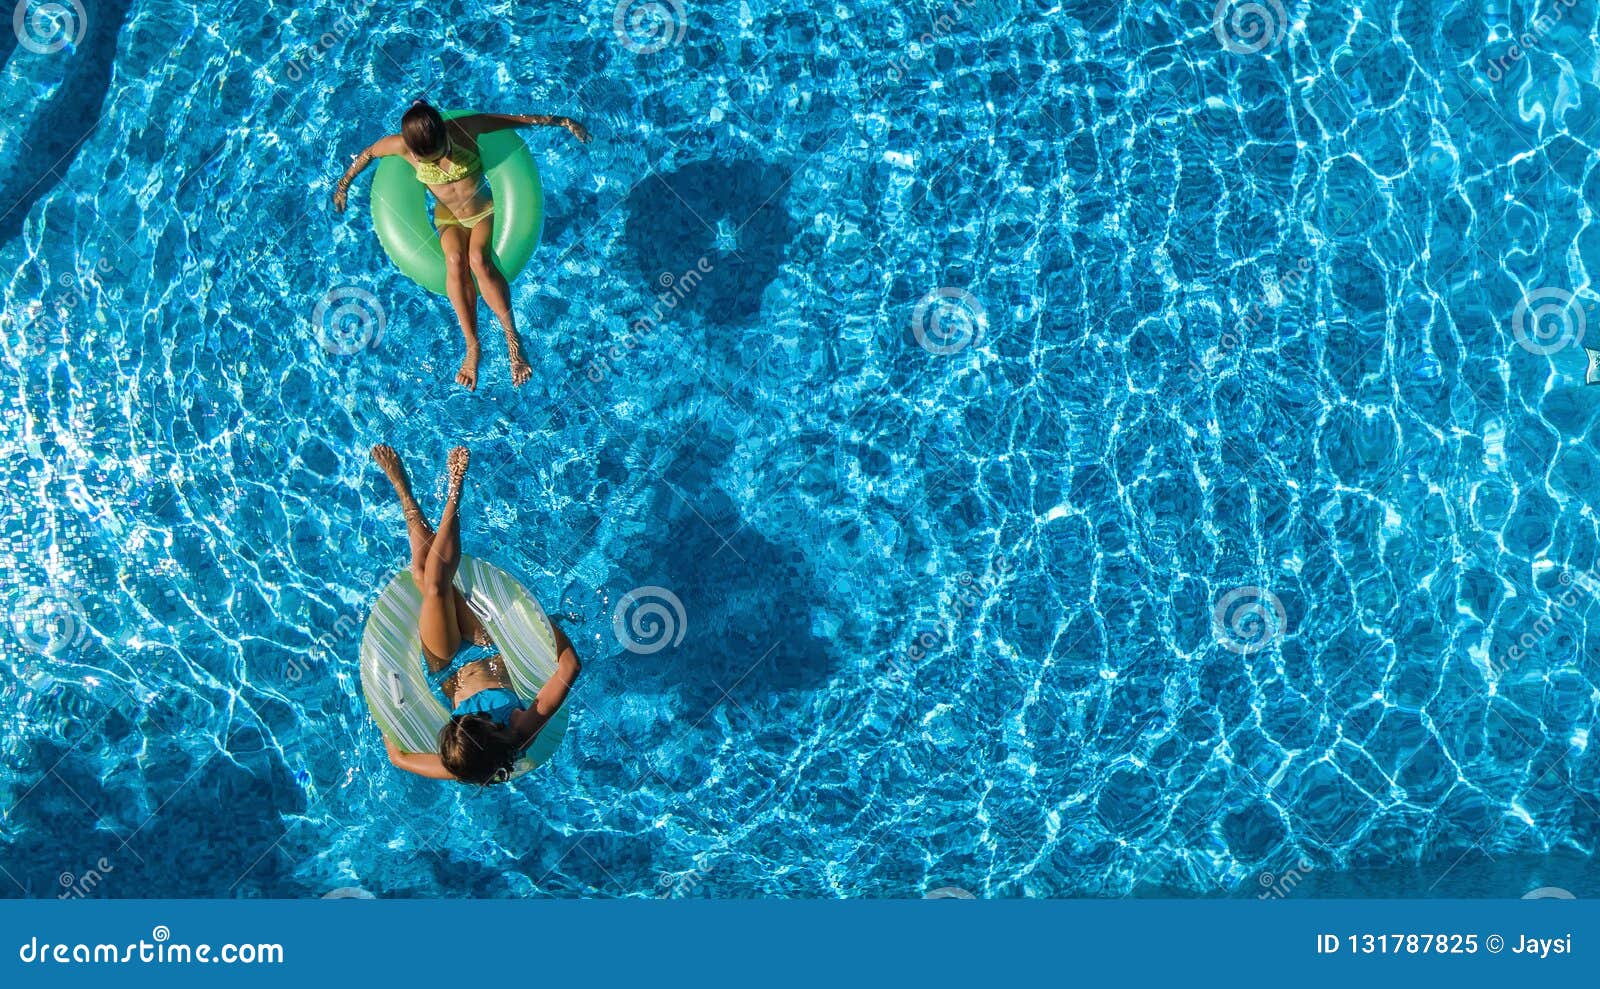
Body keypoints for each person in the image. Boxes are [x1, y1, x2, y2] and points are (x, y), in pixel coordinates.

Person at [334, 102, 591, 390]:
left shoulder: (465, 128)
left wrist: (564, 121)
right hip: (448, 218)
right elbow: (368, 152)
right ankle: (472, 348)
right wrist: (344, 184)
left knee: (478, 260)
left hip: (483, 212)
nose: (437, 161)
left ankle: (512, 340)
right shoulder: (402, 146)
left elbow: (517, 119)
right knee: (455, 261)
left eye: (442, 153)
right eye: (428, 160)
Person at [371, 443, 581, 784]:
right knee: (431, 578)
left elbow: (399, 757)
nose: (473, 713)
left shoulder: (456, 762)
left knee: (431, 581)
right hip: (487, 646)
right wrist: (542, 624)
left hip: (444, 665)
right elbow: (571, 666)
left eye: (458, 720)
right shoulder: (519, 732)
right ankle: (453, 491)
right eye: (480, 718)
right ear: (496, 735)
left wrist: (385, 702)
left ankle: (405, 492)